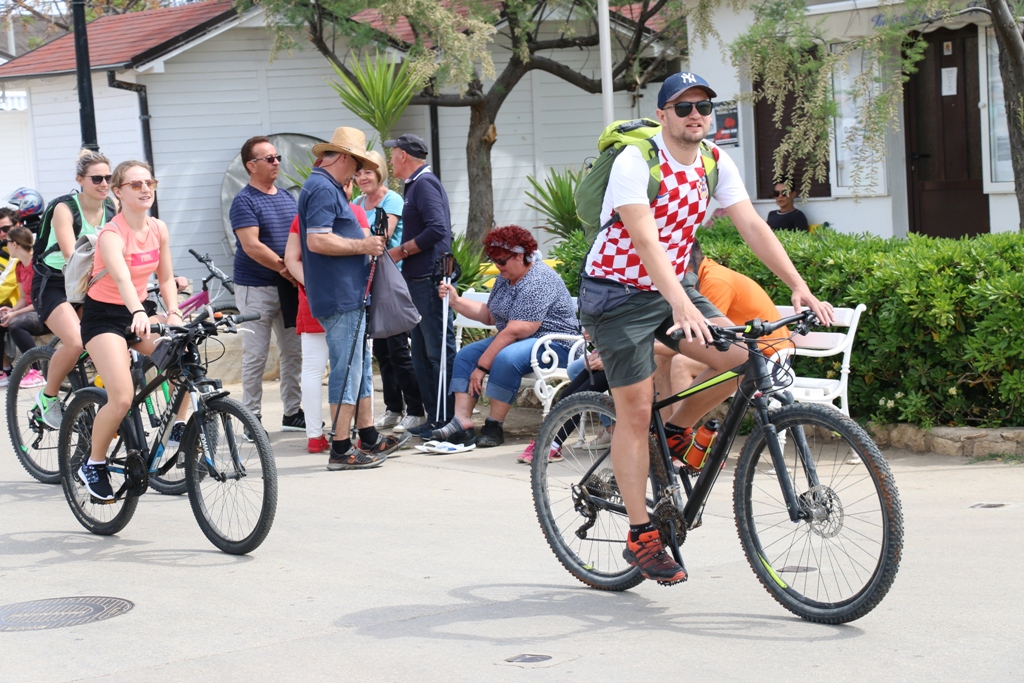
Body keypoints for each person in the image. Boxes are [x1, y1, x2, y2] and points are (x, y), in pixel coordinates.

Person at [578, 71, 833, 585]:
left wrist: (799, 286)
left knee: (749, 361)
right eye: (684, 106)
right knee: (634, 408)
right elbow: (645, 240)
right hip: (618, 294)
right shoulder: (638, 161)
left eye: (704, 107)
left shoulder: (715, 161)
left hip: (675, 286)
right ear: (663, 114)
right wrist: (681, 305)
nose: (696, 115)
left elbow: (754, 226)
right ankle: (641, 535)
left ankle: (673, 436)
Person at [298, 127, 408, 470]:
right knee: (347, 371)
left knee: (357, 369)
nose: (359, 172)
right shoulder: (321, 188)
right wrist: (363, 244)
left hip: (346, 293)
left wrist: (362, 237)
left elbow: (331, 234)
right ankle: (342, 448)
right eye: (357, 164)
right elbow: (317, 241)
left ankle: (368, 436)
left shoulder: (324, 186)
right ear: (343, 157)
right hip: (340, 295)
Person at [75, 160, 181, 501]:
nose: (145, 188)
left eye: (149, 182)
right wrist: (136, 309)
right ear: (118, 192)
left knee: (184, 356)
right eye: (135, 184)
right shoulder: (111, 233)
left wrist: (174, 312)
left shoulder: (159, 229)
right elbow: (120, 276)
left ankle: (178, 429)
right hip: (104, 317)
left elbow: (165, 277)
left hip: (139, 312)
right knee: (120, 397)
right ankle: (93, 462)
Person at [433, 225, 579, 449]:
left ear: (520, 256)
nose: (497, 266)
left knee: (505, 358)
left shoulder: (539, 279)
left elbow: (516, 330)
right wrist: (456, 301)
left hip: (556, 344)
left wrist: (481, 368)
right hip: (524, 341)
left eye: (501, 261)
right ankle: (462, 423)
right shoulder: (506, 277)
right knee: (465, 356)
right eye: (493, 260)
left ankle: (494, 426)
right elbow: (490, 316)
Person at [284, 175, 371, 454]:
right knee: (348, 367)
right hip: (345, 297)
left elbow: (290, 259)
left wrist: (311, 285)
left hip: (312, 299)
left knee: (314, 369)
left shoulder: (304, 214)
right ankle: (345, 437)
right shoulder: (357, 213)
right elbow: (368, 256)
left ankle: (315, 435)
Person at [32, 149, 118, 429]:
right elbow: (72, 256)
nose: (104, 183)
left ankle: (98, 389)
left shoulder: (112, 208)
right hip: (54, 281)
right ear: (80, 180)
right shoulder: (64, 208)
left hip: (92, 280)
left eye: (108, 177)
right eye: (96, 179)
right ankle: (48, 396)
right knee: (76, 341)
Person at [229, 135, 304, 433]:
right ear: (251, 165)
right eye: (269, 159)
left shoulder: (287, 198)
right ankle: (252, 418)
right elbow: (252, 246)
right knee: (256, 354)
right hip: (255, 289)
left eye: (277, 158)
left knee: (293, 352)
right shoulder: (244, 201)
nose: (276, 163)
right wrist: (286, 269)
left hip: (288, 287)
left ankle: (292, 412)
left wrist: (292, 273)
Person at [384, 133, 456, 438]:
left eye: (392, 154)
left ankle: (449, 419)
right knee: (422, 352)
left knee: (437, 350)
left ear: (402, 155)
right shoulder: (415, 184)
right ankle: (435, 417)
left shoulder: (424, 183)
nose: (390, 160)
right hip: (418, 278)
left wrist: (402, 251)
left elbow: (438, 228)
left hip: (429, 277)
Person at [353, 150, 426, 435]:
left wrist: (358, 236)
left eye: (367, 172)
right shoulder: (357, 202)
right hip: (368, 282)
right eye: (357, 173)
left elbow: (381, 237)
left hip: (390, 279)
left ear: (380, 172)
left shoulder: (392, 199)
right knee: (381, 351)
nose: (361, 177)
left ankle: (417, 410)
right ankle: (393, 408)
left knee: (398, 349)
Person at [0, 226, 47, 388]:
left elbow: (38, 302)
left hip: (45, 311)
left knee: (15, 324)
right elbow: (22, 298)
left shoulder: (38, 265)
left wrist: (15, 314)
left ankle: (37, 371)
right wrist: (11, 310)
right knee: (3, 319)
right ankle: (5, 371)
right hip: (30, 310)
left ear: (15, 244)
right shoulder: (20, 266)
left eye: (7, 242)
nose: (5, 246)